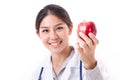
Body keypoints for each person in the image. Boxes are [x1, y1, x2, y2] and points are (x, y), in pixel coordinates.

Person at [35, 4, 109, 80]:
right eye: (46, 30)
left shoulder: (94, 65)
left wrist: (90, 66)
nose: (53, 37)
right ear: (38, 34)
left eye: (59, 28)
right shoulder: (38, 72)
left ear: (70, 29)